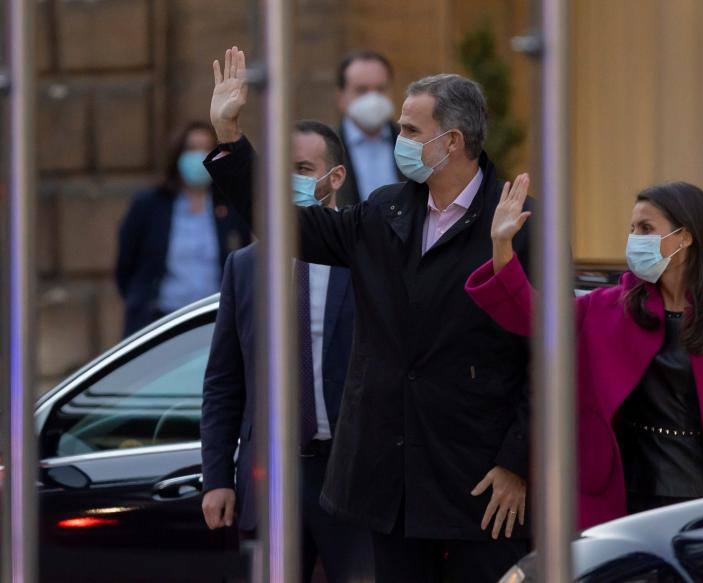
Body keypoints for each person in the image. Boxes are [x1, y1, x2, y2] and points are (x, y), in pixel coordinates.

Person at [206, 47, 532, 583]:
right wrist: (231, 139)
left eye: (408, 129)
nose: (396, 139)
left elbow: (544, 354)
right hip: (391, 481)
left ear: (451, 141)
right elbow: (293, 228)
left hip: (479, 480)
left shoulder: (517, 220)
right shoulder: (388, 210)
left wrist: (517, 461)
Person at [466, 176, 703, 529]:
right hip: (624, 500)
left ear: (685, 236)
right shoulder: (608, 307)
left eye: (646, 228)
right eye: (632, 228)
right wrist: (501, 246)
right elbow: (533, 316)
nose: (634, 239)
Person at [200, 119, 374, 583]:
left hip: (349, 476)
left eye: (302, 168)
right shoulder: (245, 267)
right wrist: (216, 477)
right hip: (271, 478)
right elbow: (223, 382)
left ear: (334, 177)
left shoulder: (367, 256)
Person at [115, 121, 250, 337]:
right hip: (159, 322)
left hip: (216, 322)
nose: (199, 156)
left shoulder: (228, 205)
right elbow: (126, 266)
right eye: (192, 149)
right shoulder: (150, 204)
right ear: (177, 155)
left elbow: (244, 257)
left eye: (205, 148)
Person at [335, 50, 402, 206]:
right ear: (341, 97)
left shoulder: (413, 142)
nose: (373, 99)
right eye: (362, 90)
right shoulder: (328, 147)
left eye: (381, 89)